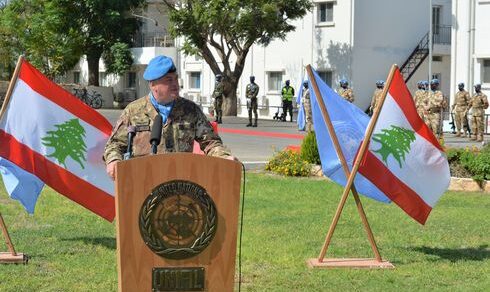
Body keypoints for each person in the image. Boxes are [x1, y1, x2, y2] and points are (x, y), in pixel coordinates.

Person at [104, 55, 235, 180]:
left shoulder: (190, 110)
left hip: (180, 184)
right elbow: (115, 144)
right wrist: (114, 160)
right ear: (153, 84)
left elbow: (211, 143)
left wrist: (224, 157)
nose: (175, 84)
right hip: (142, 183)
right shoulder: (133, 111)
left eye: (176, 79)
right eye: (169, 80)